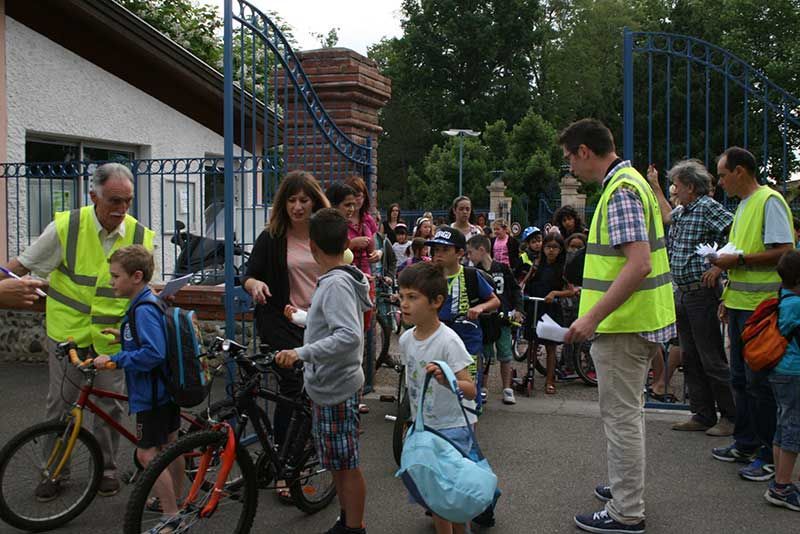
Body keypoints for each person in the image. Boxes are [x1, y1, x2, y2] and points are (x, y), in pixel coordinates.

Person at [1, 162, 155, 497]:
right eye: (114, 201)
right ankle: (54, 472)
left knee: (109, 408)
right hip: (68, 336)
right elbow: (23, 264)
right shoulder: (67, 227)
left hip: (110, 339)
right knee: (61, 407)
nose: (122, 209)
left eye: (128, 201)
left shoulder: (140, 235)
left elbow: (144, 289)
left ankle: (106, 470)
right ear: (93, 196)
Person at [561, 118, 675, 534]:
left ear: (584, 152)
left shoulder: (620, 191)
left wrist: (591, 316)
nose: (571, 168)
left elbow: (638, 263)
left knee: (621, 417)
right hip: (636, 321)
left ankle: (627, 511)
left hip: (623, 326)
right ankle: (623, 489)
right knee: (629, 414)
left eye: (570, 158)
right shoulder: (632, 183)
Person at [276, 208, 371, 534]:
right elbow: (329, 323)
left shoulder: (335, 285)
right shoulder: (338, 279)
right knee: (338, 463)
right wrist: (303, 318)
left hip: (337, 387)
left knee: (347, 466)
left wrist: (300, 352)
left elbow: (347, 336)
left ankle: (354, 526)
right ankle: (347, 519)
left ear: (313, 247)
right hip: (331, 386)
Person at [710, 147, 794, 481]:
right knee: (740, 379)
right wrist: (727, 289)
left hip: (761, 309)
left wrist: (739, 262)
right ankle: (745, 443)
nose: (720, 182)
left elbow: (784, 252)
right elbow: (738, 252)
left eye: (722, 174)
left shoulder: (769, 200)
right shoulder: (744, 205)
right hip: (740, 305)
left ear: (740, 171)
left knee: (760, 385)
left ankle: (767, 455)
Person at [242, 170, 329, 495]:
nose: (297, 206)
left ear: (314, 202)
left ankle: (307, 450)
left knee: (314, 390)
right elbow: (248, 276)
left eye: (303, 200)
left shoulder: (326, 234)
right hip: (282, 320)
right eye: (291, 200)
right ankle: (284, 463)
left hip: (318, 323)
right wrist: (256, 284)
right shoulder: (272, 236)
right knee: (292, 386)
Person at [92, 246, 183, 526]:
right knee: (171, 447)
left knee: (147, 454)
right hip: (165, 390)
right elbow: (150, 340)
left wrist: (114, 360)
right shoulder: (149, 300)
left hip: (151, 394)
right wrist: (124, 336)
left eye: (115, 276)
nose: (111, 281)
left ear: (137, 276)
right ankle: (176, 500)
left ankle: (171, 516)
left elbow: (153, 353)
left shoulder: (142, 308)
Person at [645, 158, 735, 433]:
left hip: (701, 293)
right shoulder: (685, 210)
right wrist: (655, 186)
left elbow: (735, 233)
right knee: (691, 356)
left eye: (677, 185)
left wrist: (718, 266)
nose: (675, 189)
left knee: (711, 357)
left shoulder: (708, 207)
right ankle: (702, 414)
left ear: (691, 187)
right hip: (683, 294)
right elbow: (666, 216)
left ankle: (730, 417)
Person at [396, 261, 480, 534]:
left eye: (412, 297)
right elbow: (413, 387)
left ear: (436, 301)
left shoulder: (448, 340)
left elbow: (471, 389)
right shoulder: (406, 340)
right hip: (425, 428)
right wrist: (411, 421)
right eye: (401, 296)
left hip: (453, 428)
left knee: (451, 498)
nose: (404, 304)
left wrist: (450, 381)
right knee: (436, 498)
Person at [427, 227, 500, 405]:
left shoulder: (471, 275)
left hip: (467, 340)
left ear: (460, 253)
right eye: (436, 249)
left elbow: (495, 301)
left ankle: (469, 424)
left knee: (468, 392)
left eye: (445, 250)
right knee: (435, 384)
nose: (439, 254)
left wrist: (480, 308)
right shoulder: (428, 277)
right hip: (437, 337)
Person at [466, 235, 523, 405]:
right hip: (484, 320)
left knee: (505, 354)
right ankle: (483, 387)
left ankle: (507, 388)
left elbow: (515, 289)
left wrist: (518, 309)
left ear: (481, 250)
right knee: (485, 355)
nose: (469, 256)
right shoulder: (473, 272)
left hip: (502, 319)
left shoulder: (503, 268)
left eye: (471, 252)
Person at [764, 249, 800, 511]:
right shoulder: (797, 305)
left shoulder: (782, 297)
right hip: (794, 372)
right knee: (793, 429)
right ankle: (781, 487)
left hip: (779, 371)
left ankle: (779, 480)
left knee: (782, 424)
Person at [521, 233, 574, 394]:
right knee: (532, 343)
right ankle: (529, 374)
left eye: (555, 247)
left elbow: (571, 291)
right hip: (534, 306)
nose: (551, 251)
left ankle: (550, 380)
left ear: (560, 250)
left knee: (550, 347)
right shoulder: (537, 264)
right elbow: (525, 282)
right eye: (548, 247)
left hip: (551, 309)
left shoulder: (563, 269)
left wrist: (555, 294)